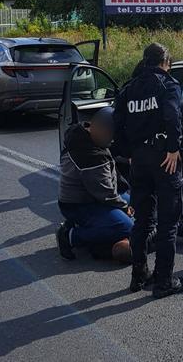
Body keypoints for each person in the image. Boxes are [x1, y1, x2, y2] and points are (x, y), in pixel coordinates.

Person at [113, 42, 183, 299]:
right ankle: (164, 282)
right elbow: (173, 116)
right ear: (165, 62)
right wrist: (173, 148)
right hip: (163, 159)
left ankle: (138, 276)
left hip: (140, 160)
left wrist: (130, 153)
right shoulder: (167, 85)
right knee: (168, 223)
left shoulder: (128, 89)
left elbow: (116, 125)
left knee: (142, 222)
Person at [56, 108, 134, 263]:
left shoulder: (84, 135)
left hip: (93, 198)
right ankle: (70, 236)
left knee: (137, 203)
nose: (111, 140)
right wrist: (124, 207)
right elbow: (105, 194)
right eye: (110, 135)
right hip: (80, 205)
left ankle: (91, 229)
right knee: (127, 227)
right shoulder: (90, 155)